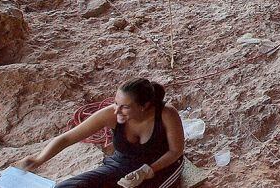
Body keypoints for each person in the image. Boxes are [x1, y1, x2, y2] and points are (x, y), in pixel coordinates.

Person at [14, 78, 184, 188]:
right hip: (121, 165)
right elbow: (67, 138)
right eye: (116, 103)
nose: (117, 110)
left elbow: (176, 151)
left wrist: (147, 171)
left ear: (144, 106)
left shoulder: (166, 114)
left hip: (161, 169)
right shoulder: (112, 114)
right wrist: (39, 159)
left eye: (125, 107)